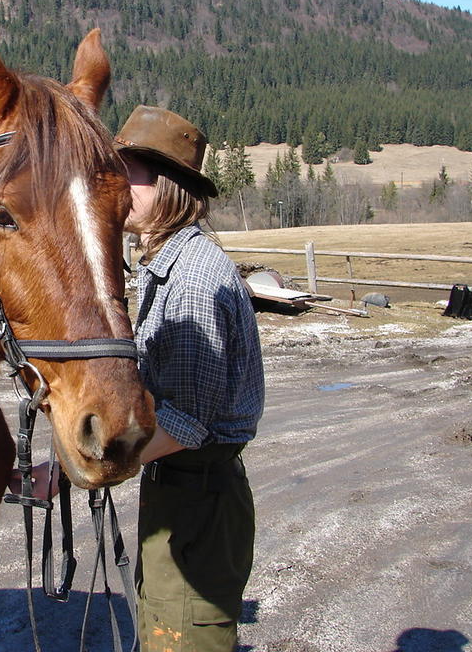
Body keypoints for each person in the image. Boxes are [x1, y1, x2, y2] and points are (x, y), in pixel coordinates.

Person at [115, 105, 265, 652]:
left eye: (129, 169)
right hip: (178, 494)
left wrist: (95, 467)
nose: (116, 179)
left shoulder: (196, 280)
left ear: (168, 186)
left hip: (198, 504)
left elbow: (185, 422)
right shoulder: (169, 267)